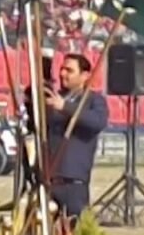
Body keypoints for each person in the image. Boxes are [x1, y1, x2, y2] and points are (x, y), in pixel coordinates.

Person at [44, 54, 109, 223]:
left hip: (73, 180)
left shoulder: (93, 100)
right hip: (49, 177)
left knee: (76, 232)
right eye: (62, 69)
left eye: (70, 70)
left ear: (85, 75)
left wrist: (65, 107)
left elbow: (96, 122)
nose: (63, 74)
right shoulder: (53, 97)